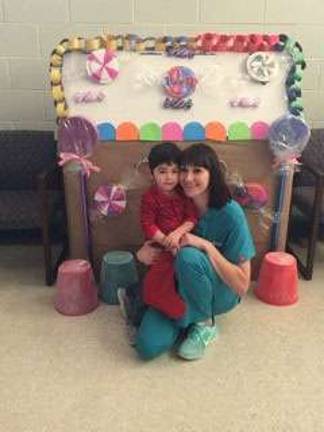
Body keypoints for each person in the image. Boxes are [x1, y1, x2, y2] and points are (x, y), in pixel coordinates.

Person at [135, 143, 256, 361]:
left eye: (197, 170)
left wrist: (206, 245)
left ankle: (203, 324)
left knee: (188, 256)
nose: (188, 178)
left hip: (219, 293)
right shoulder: (175, 200)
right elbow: (152, 229)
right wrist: (142, 253)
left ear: (213, 173)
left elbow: (242, 285)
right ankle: (181, 319)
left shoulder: (230, 214)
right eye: (184, 170)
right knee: (147, 347)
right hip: (177, 288)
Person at [140, 142, 198, 319]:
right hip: (160, 245)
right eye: (162, 171)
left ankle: (185, 302)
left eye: (174, 171)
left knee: (184, 271)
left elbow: (192, 218)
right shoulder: (150, 197)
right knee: (159, 274)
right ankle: (154, 298)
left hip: (182, 242)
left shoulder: (183, 193)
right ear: (153, 173)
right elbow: (148, 225)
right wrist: (167, 242)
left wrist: (177, 234)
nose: (169, 177)